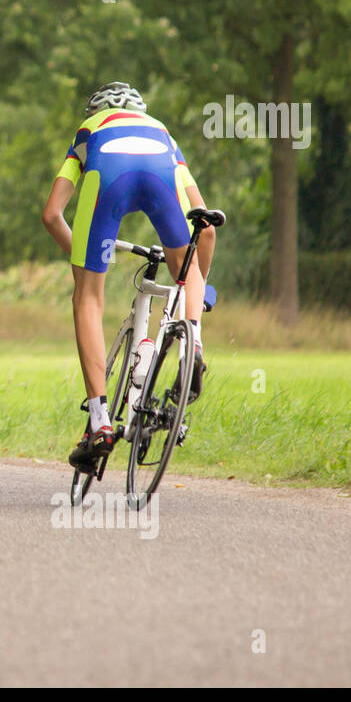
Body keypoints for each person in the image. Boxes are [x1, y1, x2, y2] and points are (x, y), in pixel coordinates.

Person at [41, 82, 217, 470]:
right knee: (186, 273)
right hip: (161, 174)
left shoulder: (90, 130)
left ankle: (100, 423)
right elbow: (205, 228)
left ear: (95, 110)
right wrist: (201, 284)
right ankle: (193, 346)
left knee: (87, 298)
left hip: (109, 175)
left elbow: (52, 214)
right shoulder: (161, 130)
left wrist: (88, 258)